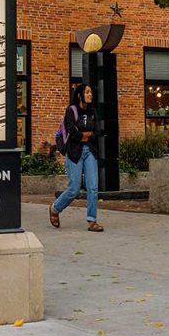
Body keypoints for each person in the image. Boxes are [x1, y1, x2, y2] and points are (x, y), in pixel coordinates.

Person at [49, 83, 105, 232]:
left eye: (91, 92)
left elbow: (97, 132)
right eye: (87, 92)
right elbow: (72, 131)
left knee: (93, 187)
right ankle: (55, 208)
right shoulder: (71, 111)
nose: (90, 95)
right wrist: (83, 135)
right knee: (74, 189)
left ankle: (92, 221)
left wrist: (83, 135)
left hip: (90, 152)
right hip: (74, 153)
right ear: (80, 94)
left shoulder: (93, 111)